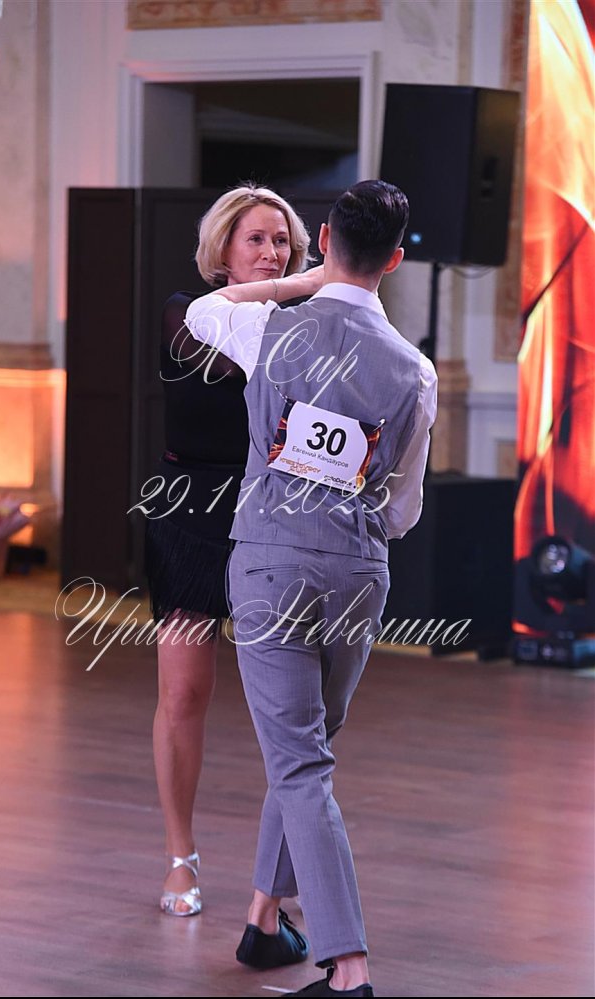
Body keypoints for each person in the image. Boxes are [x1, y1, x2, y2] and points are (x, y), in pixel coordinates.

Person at [185, 180, 438, 995]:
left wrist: (306, 281)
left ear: (324, 238)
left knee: (300, 763)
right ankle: (264, 919)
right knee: (307, 752)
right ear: (396, 260)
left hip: (270, 562)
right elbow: (403, 509)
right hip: (357, 572)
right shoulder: (416, 370)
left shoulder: (270, 327)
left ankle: (349, 968)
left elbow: (205, 309)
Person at [146, 185, 312, 918]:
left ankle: (280, 879)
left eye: (282, 241)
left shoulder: (305, 325)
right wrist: (305, 286)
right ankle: (179, 855)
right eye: (257, 239)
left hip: (269, 514)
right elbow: (219, 366)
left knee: (286, 706)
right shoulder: (187, 313)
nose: (272, 252)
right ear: (223, 249)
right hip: (188, 514)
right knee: (184, 692)